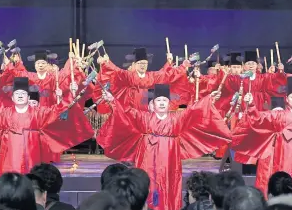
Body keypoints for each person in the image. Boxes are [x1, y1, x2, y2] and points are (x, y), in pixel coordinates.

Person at [97, 83, 231, 210]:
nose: (161, 103)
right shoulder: (144, 118)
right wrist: (112, 100)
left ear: (169, 103)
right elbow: (126, 112)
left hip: (169, 157)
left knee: (169, 184)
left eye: (164, 100)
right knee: (148, 182)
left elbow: (194, 111)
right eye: (158, 100)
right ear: (153, 103)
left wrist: (209, 99)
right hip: (147, 156)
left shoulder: (177, 118)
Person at [0, 77, 93, 178]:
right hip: (10, 154)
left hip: (32, 153)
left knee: (33, 179)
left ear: (28, 97)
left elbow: (58, 111)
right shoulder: (4, 113)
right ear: (12, 98)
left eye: (23, 94)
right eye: (17, 94)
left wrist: (71, 95)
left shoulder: (39, 113)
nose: (20, 96)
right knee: (10, 181)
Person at [232, 76, 292, 195]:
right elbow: (258, 119)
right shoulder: (278, 115)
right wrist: (251, 105)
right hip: (284, 153)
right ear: (287, 99)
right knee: (285, 178)